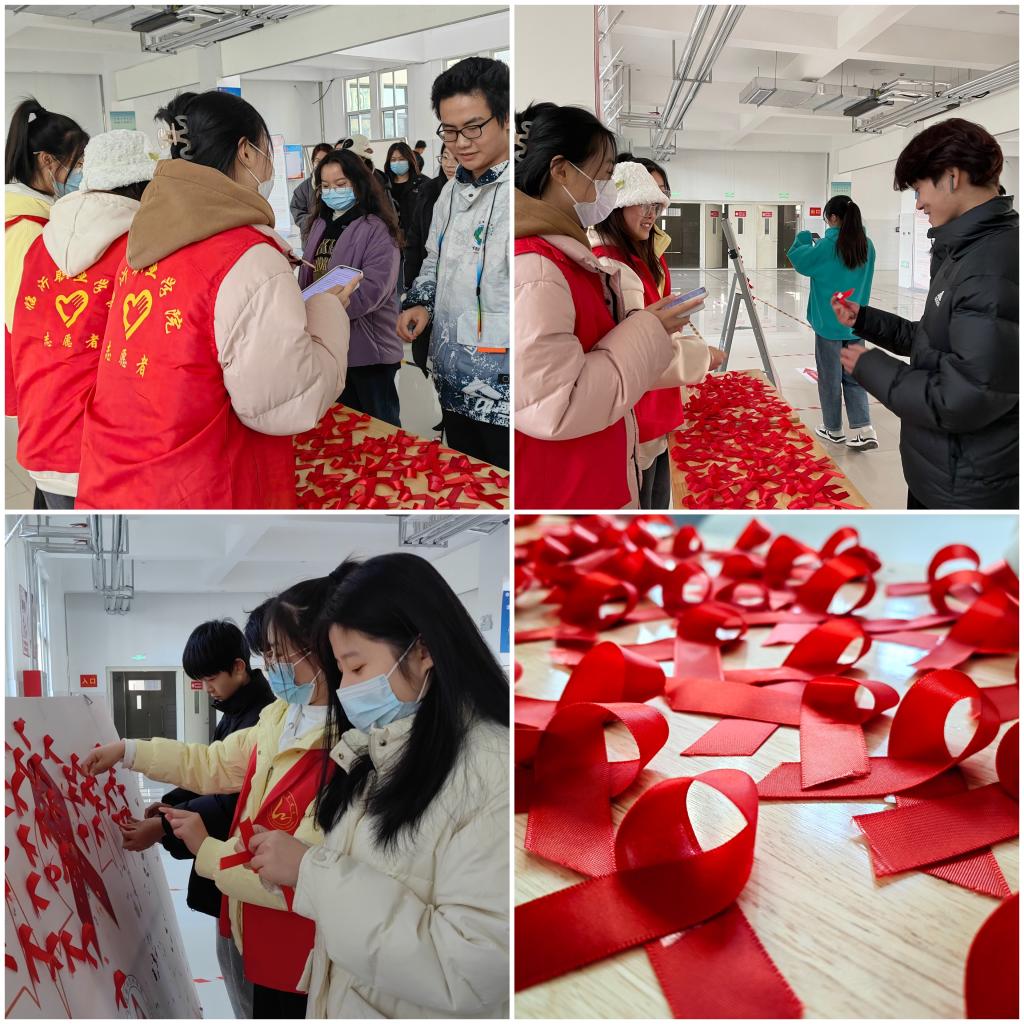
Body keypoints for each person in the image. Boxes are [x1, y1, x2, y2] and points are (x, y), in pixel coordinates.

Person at [243, 553, 509, 1018]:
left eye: (357, 667)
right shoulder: (377, 750)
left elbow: (470, 969)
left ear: (423, 650)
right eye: (340, 670)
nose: (345, 688)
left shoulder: (491, 771)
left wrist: (311, 872)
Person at [74, 90, 357, 510]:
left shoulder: (143, 243)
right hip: (204, 489)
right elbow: (287, 405)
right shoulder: (248, 257)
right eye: (265, 149)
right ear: (246, 151)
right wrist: (327, 310)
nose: (269, 165)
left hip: (119, 476)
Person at [83, 574, 339, 1018]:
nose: (272, 667)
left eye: (280, 655)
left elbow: (299, 874)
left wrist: (204, 848)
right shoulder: (282, 716)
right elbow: (213, 763)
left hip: (304, 948)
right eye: (267, 655)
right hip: (255, 924)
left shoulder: (344, 744)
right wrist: (130, 751)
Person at [513, 102, 698, 509]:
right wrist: (649, 329)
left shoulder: (568, 256)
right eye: (603, 175)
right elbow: (557, 406)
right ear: (561, 171)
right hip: (569, 486)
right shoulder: (538, 268)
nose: (608, 190)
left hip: (594, 468)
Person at [836, 118, 1018, 509]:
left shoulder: (991, 266)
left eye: (919, 189)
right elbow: (935, 340)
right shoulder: (964, 251)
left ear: (952, 177)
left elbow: (964, 396)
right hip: (944, 471)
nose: (918, 204)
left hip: (967, 487)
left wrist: (870, 367)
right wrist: (865, 320)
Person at [118, 619, 274, 1020]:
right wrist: (170, 805)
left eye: (210, 679)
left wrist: (164, 827)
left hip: (246, 869)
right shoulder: (237, 709)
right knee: (235, 968)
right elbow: (209, 769)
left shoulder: (263, 717)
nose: (207, 689)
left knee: (248, 985)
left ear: (238, 666)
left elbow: (231, 803)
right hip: (229, 874)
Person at [8, 130, 155, 510]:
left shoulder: (41, 242)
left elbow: (23, 331)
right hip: (104, 446)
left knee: (73, 541)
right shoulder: (140, 250)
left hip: (43, 434)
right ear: (144, 186)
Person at [399, 58, 511, 469]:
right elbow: (434, 259)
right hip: (451, 375)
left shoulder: (521, 194)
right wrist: (421, 302)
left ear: (505, 119)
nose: (460, 142)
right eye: (449, 131)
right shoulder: (450, 191)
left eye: (473, 127)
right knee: (466, 478)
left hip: (504, 391)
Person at [591, 160, 722, 508]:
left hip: (653, 408)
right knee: (646, 498)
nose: (652, 213)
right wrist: (703, 357)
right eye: (643, 202)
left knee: (656, 495)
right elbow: (637, 354)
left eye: (658, 201)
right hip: (640, 410)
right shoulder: (614, 266)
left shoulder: (638, 255)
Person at [5, 99, 88, 471]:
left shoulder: (40, 213)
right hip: (41, 365)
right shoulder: (24, 227)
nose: (81, 173)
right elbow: (21, 314)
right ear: (46, 161)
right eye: (77, 163)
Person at [298, 148, 403, 426]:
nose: (332, 191)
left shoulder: (376, 228)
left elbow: (373, 290)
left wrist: (324, 312)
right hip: (329, 345)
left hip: (367, 350)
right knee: (343, 427)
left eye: (341, 184)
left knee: (378, 428)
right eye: (326, 186)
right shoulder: (320, 223)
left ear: (358, 183)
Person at [788, 194, 878, 450]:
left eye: (827, 218)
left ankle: (833, 428)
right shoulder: (867, 245)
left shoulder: (827, 246)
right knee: (854, 376)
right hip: (856, 323)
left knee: (829, 378)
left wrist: (803, 238)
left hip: (829, 324)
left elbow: (800, 260)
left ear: (834, 218)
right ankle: (865, 429)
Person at [404, 145, 459, 378]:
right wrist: (412, 287)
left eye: (455, 158)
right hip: (429, 277)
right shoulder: (430, 191)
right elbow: (415, 239)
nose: (449, 164)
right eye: (445, 157)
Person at [383, 141, 431, 300]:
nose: (397, 162)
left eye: (401, 159)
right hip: (390, 244)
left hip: (416, 244)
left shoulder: (424, 184)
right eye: (393, 159)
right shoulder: (383, 185)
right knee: (390, 289)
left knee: (412, 285)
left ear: (410, 160)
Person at [290, 142, 332, 245]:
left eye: (326, 160)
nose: (321, 164)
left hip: (334, 237)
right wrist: (315, 222)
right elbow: (297, 211)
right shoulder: (302, 188)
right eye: (318, 161)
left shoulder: (339, 186)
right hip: (311, 239)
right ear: (313, 162)